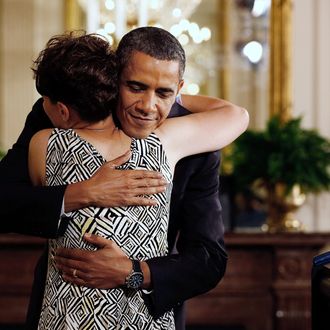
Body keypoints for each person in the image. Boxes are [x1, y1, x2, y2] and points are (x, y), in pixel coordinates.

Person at [0, 27, 248, 329]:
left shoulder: (193, 144)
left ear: (178, 89)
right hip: (61, 310)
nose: (147, 106)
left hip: (148, 312)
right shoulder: (59, 109)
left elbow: (209, 259)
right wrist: (80, 193)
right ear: (115, 77)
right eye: (135, 86)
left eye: (164, 92)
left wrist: (133, 272)